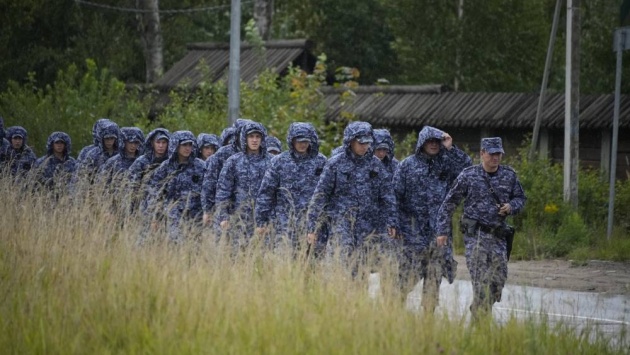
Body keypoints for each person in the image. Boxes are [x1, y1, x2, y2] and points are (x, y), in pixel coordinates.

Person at [436, 137, 526, 318]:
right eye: (492, 154)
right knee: (480, 282)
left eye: (498, 153)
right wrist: (442, 231)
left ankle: (478, 309)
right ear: (482, 154)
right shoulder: (468, 176)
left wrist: (511, 207)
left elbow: (520, 198)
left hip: (499, 237)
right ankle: (481, 324)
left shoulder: (509, 175)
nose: (495, 157)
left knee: (498, 281)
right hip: (476, 237)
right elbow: (448, 204)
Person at [394, 126, 472, 311]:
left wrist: (451, 148)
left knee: (434, 275)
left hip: (439, 232)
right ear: (422, 143)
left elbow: (468, 169)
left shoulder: (447, 163)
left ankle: (428, 318)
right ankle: (394, 313)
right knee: (407, 277)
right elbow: (394, 197)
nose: (434, 145)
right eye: (430, 141)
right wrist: (395, 224)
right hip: (412, 231)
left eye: (437, 141)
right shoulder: (407, 165)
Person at [306, 121, 397, 270]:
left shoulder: (376, 165)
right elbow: (320, 195)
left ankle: (357, 293)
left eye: (368, 143)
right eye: (361, 143)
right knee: (343, 263)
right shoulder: (335, 164)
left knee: (362, 267)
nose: (365, 146)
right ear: (351, 141)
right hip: (341, 223)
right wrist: (312, 227)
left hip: (367, 224)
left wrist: (392, 221)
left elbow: (387, 196)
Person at [255, 122, 327, 252]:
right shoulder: (279, 161)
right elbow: (266, 192)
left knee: (311, 264)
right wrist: (261, 221)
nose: (302, 144)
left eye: (305, 141)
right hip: (283, 224)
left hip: (312, 225)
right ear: (292, 140)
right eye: (299, 141)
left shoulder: (321, 162)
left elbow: (326, 194)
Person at [215, 121, 270, 247]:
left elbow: (277, 194)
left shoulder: (272, 162)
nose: (255, 140)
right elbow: (223, 191)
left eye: (258, 136)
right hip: (238, 220)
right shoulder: (234, 161)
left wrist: (271, 220)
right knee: (238, 257)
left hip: (264, 222)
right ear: (244, 138)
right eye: (251, 136)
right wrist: (223, 217)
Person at [146, 131, 206, 244]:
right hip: (173, 216)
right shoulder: (166, 167)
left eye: (190, 145)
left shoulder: (201, 166)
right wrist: (154, 216)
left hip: (195, 216)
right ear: (176, 145)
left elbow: (208, 190)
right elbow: (154, 192)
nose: (188, 148)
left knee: (195, 249)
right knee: (176, 246)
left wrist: (208, 211)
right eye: (184, 145)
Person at [201, 118, 251, 224]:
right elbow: (209, 182)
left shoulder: (256, 155)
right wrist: (207, 210)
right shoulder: (223, 154)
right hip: (224, 209)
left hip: (248, 212)